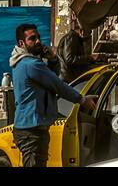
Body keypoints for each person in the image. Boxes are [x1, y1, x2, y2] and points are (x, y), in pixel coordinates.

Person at [9, 23, 97, 167]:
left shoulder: (22, 62)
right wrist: (81, 100)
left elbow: (49, 78)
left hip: (31, 128)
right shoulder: (31, 64)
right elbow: (58, 85)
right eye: (32, 39)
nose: (38, 41)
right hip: (32, 130)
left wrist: (53, 60)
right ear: (21, 43)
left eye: (38, 37)